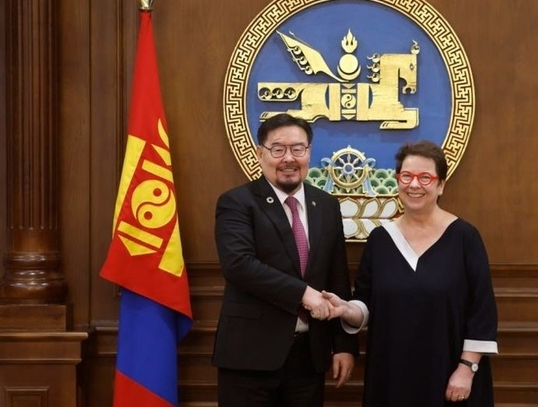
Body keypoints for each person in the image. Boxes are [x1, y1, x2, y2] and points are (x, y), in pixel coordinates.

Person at [323, 140, 499, 406]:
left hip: (450, 375)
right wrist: (346, 310)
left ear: (441, 185)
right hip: (391, 373)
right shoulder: (380, 239)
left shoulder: (465, 237)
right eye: (406, 176)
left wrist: (467, 368)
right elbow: (366, 303)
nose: (414, 185)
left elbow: (482, 310)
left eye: (425, 177)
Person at [212, 113, 358, 407]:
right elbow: (238, 265)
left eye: (297, 149)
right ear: (260, 153)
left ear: (309, 152)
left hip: (309, 357)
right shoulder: (237, 202)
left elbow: (337, 276)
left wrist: (344, 345)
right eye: (278, 149)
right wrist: (304, 294)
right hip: (249, 357)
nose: (289, 158)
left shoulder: (326, 205)